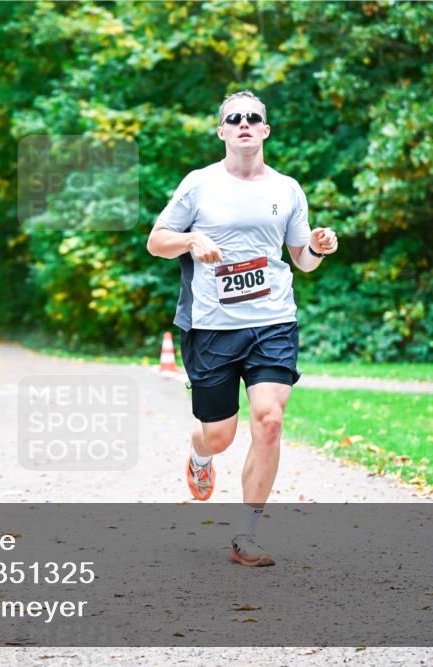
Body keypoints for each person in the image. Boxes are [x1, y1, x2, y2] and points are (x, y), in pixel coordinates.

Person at [146, 90, 338, 567]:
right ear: (222, 130)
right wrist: (191, 239)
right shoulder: (199, 185)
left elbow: (302, 262)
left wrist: (318, 247)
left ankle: (246, 535)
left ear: (266, 130)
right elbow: (156, 242)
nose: (245, 123)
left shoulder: (287, 189)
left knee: (270, 420)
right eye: (235, 118)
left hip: (272, 320)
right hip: (211, 326)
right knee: (220, 435)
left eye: (254, 117)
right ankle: (200, 452)